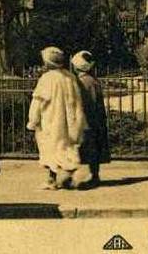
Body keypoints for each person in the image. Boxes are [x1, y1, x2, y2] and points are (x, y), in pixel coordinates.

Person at [26, 47, 85, 190]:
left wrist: (33, 120)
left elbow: (38, 101)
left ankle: (53, 179)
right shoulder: (70, 77)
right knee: (66, 148)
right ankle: (66, 176)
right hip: (69, 120)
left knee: (51, 149)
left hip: (51, 120)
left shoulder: (46, 79)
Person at [71, 51, 110, 189]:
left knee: (90, 149)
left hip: (89, 121)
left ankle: (93, 176)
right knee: (90, 148)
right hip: (93, 120)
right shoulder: (92, 80)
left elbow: (90, 103)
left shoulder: (85, 81)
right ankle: (92, 175)